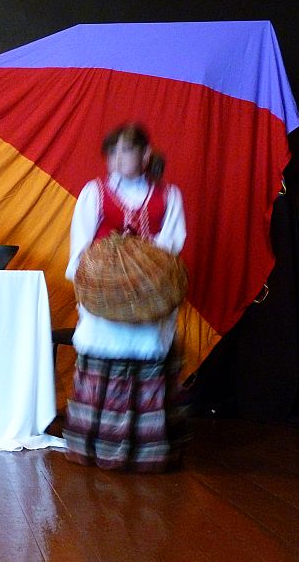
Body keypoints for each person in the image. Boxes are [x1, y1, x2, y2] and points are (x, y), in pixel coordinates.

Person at [63, 123, 190, 472]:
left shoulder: (168, 196)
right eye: (112, 152)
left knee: (148, 358)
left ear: (145, 154)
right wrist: (97, 280)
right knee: (106, 355)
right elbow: (81, 246)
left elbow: (171, 244)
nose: (117, 159)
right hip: (106, 298)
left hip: (149, 298)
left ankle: (145, 451)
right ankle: (98, 446)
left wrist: (140, 267)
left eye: (126, 151)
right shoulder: (95, 193)